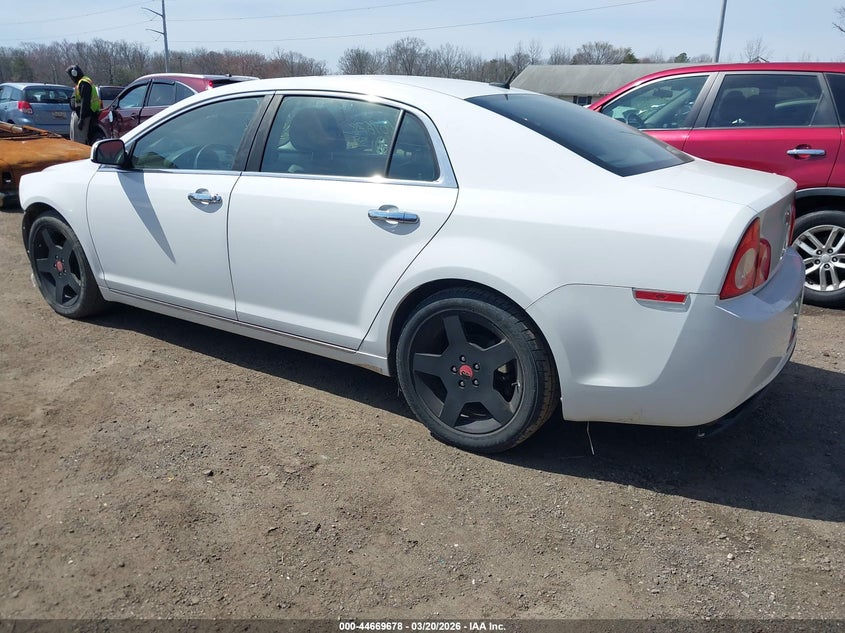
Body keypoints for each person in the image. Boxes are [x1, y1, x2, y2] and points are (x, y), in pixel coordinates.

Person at [66, 64, 101, 144]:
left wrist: (81, 120)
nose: (71, 78)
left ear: (74, 74)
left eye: (70, 76)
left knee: (79, 141)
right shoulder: (82, 82)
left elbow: (85, 102)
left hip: (84, 117)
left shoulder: (84, 83)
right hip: (83, 115)